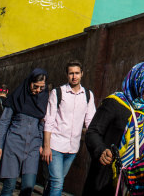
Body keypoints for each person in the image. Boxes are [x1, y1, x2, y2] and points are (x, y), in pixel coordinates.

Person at [83, 61, 144, 195]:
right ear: (141, 81)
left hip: (137, 183)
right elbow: (92, 132)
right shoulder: (115, 103)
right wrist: (101, 150)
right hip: (107, 180)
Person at [41, 60, 96, 196]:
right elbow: (49, 121)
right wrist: (46, 146)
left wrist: (95, 143)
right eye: (71, 73)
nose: (74, 76)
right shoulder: (57, 92)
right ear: (67, 75)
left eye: (77, 73)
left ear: (82, 74)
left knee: (55, 181)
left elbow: (90, 122)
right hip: (55, 145)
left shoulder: (88, 95)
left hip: (73, 148)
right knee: (58, 182)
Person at [0, 69, 49, 196]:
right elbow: (4, 122)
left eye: (42, 87)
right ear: (29, 82)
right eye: (35, 87)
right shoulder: (17, 97)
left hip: (33, 148)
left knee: (28, 186)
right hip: (13, 144)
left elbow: (42, 124)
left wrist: (41, 144)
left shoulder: (43, 100)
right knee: (10, 185)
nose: (38, 90)